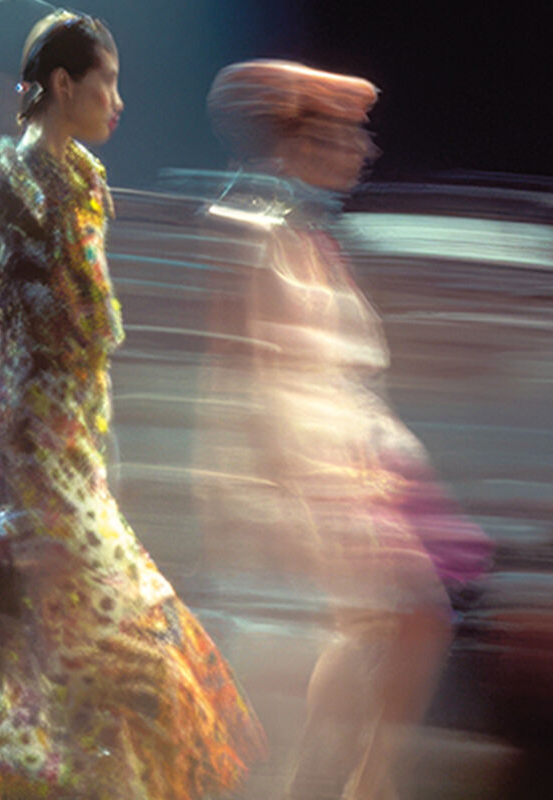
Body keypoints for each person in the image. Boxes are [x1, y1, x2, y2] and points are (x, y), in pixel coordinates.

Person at [0, 9, 265, 799]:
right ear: (64, 85)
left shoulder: (92, 185)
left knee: (112, 693)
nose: (121, 101)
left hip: (82, 480)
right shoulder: (3, 177)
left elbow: (90, 359)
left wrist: (104, 468)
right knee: (107, 682)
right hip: (30, 486)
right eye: (109, 81)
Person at [202, 60, 490, 800]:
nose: (365, 151)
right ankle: (348, 783)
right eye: (348, 134)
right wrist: (282, 489)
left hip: (347, 466)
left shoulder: (305, 234)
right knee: (389, 619)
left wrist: (389, 464)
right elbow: (244, 376)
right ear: (302, 141)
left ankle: (353, 780)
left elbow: (341, 372)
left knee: (397, 621)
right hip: (302, 473)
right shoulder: (253, 230)